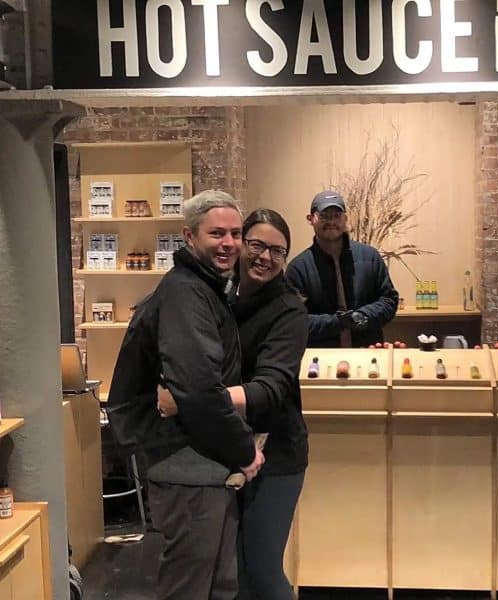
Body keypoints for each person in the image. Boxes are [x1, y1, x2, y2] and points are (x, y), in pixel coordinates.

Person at [106, 190, 265, 600]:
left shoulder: (206, 288)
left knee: (218, 584)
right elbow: (198, 387)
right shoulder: (185, 292)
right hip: (184, 461)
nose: (228, 243)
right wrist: (244, 449)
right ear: (189, 236)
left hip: (204, 461)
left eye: (234, 233)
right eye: (217, 233)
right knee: (190, 588)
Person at [158, 208, 309, 600]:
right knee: (231, 573)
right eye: (256, 244)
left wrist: (194, 401)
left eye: (278, 251)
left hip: (276, 455)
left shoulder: (290, 310)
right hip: (228, 448)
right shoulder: (216, 294)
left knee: (260, 569)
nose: (265, 257)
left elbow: (270, 389)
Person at [286, 190, 399, 347]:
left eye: (336, 215)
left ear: (345, 219)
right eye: (324, 215)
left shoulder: (370, 256)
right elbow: (294, 321)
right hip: (320, 358)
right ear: (311, 219)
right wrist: (338, 322)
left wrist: (362, 316)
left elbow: (389, 300)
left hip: (368, 351)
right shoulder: (298, 268)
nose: (331, 221)